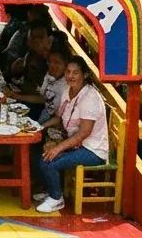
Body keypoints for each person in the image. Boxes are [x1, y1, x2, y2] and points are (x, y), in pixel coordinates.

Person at [35, 56, 109, 213]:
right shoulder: (68, 91)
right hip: (76, 144)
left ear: (85, 75)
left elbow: (84, 133)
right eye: (68, 72)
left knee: (51, 161)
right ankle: (51, 191)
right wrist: (39, 127)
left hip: (93, 150)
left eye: (76, 73)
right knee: (44, 156)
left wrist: (59, 148)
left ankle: (57, 199)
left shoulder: (90, 97)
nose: (71, 76)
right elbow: (58, 118)